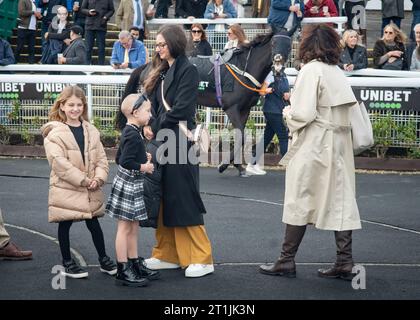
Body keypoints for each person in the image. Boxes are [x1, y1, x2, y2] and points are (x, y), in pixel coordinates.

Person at [259, 24, 362, 281]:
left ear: (308, 45)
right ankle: (344, 262)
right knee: (341, 201)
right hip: (339, 145)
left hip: (314, 143)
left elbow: (302, 114)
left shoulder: (310, 71)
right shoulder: (336, 71)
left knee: (300, 198)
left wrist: (286, 113)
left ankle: (286, 260)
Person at [142, 25, 214, 278]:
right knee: (163, 197)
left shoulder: (188, 69)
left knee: (184, 198)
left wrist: (155, 125)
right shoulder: (163, 71)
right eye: (157, 44)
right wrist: (148, 125)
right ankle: (166, 254)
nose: (158, 48)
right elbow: (153, 107)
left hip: (180, 144)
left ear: (173, 43)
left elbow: (182, 109)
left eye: (162, 44)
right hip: (164, 140)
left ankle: (202, 258)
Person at [41, 85, 117, 279]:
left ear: (84, 106)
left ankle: (104, 259)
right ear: (62, 106)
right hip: (67, 186)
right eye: (71, 105)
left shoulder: (91, 131)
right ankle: (67, 262)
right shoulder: (54, 133)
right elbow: (59, 163)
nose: (75, 109)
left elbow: (100, 158)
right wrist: (84, 180)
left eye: (79, 105)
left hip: (90, 186)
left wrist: (98, 178)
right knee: (65, 223)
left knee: (93, 223)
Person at [105, 94, 160, 287]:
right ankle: (123, 268)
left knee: (133, 226)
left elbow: (120, 158)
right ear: (135, 112)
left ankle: (134, 262)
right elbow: (125, 162)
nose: (150, 114)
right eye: (147, 110)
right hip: (128, 184)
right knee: (124, 228)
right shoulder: (131, 133)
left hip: (131, 183)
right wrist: (143, 166)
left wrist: (140, 155)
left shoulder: (132, 130)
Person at [247, 63, 290, 176]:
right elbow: (261, 91)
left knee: (267, 138)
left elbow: (286, 93)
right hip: (273, 110)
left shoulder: (283, 75)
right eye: (277, 63)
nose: (279, 65)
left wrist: (287, 95)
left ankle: (252, 163)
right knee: (283, 136)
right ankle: (289, 165)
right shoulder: (271, 74)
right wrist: (267, 90)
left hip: (276, 109)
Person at [81, 0, 115, 65]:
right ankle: (87, 66)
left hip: (101, 25)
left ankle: (101, 66)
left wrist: (105, 17)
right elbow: (82, 9)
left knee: (101, 48)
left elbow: (112, 10)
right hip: (89, 26)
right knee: (88, 48)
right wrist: (89, 12)